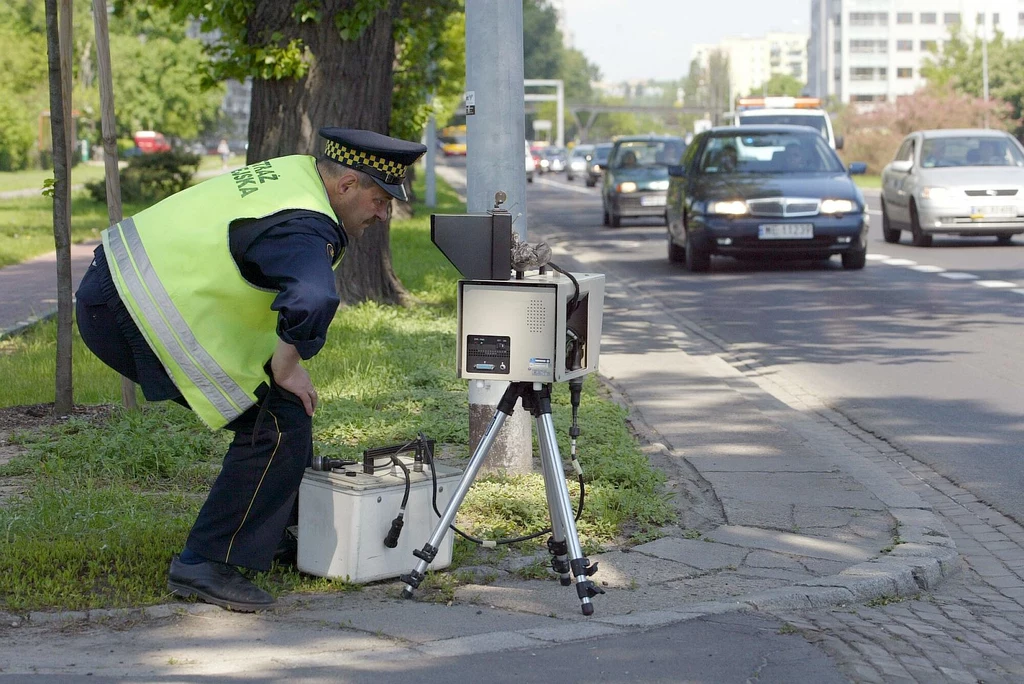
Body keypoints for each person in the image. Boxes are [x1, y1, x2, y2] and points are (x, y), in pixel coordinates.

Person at [75, 128, 427, 612]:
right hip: (131, 311)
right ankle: (205, 562)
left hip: (115, 284)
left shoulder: (295, 173)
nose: (385, 213)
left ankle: (283, 533)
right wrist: (287, 367)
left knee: (280, 416)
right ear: (345, 185)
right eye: (380, 198)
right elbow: (314, 297)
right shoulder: (308, 223)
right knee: (280, 420)